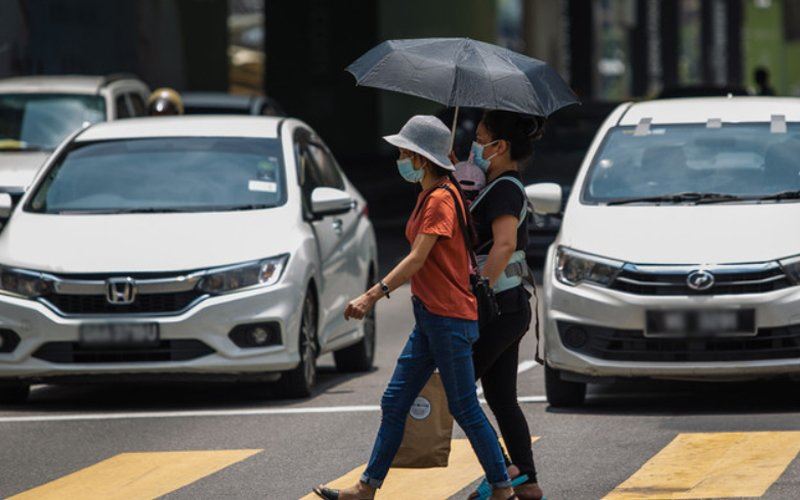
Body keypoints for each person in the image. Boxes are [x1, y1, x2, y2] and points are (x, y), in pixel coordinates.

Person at [313, 115, 516, 500]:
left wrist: (371, 295)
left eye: (405, 152)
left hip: (448, 318)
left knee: (464, 407)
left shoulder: (440, 199)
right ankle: (367, 487)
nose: (400, 159)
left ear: (422, 158)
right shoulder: (434, 193)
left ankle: (503, 487)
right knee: (395, 402)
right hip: (430, 317)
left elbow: (417, 259)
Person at [467, 110, 546, 500]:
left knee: (457, 393)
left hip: (498, 308)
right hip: (510, 307)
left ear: (499, 146)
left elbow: (504, 244)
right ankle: (527, 481)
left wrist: (476, 289)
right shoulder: (497, 186)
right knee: (500, 398)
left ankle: (504, 469)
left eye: (480, 139)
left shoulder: (504, 190)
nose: (475, 145)